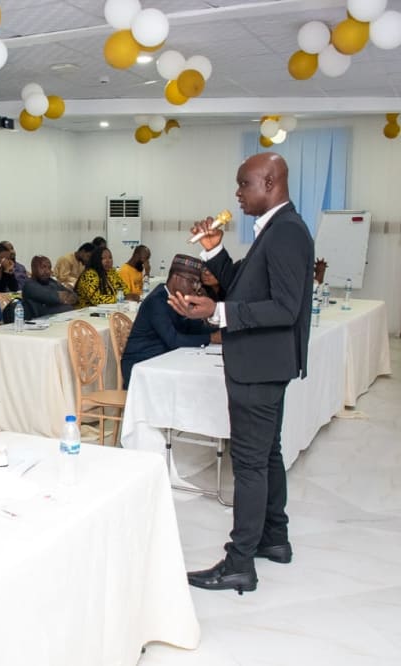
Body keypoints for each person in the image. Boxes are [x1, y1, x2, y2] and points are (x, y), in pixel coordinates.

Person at [168, 152, 313, 594]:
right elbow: (243, 287)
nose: (236, 193)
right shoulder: (277, 228)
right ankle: (274, 538)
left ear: (269, 183)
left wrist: (219, 312)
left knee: (249, 463)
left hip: (258, 365)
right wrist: (213, 250)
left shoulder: (285, 231)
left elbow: (284, 308)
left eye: (243, 184)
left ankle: (239, 564)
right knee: (268, 455)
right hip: (264, 362)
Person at [120, 255, 217, 389]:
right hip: (141, 364)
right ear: (176, 278)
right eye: (192, 282)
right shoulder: (157, 301)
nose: (195, 288)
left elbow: (193, 329)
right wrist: (212, 338)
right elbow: (174, 340)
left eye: (198, 283)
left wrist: (219, 331)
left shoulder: (179, 298)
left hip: (164, 360)